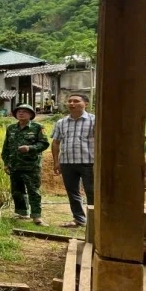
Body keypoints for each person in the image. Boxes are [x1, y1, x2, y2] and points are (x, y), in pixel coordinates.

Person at [51, 94, 95, 228]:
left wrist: (100, 162)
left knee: (92, 191)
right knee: (72, 192)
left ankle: (95, 221)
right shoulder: (61, 122)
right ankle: (79, 219)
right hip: (67, 162)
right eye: (69, 101)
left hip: (89, 162)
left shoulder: (95, 120)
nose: (72, 103)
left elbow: (103, 142)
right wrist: (56, 162)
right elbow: (56, 143)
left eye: (76, 101)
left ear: (85, 104)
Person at [2, 104, 50, 226]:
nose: (21, 113)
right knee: (17, 191)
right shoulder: (11, 128)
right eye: (19, 112)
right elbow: (6, 147)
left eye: (24, 111)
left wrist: (30, 148)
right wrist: (6, 163)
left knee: (33, 191)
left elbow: (44, 144)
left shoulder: (37, 127)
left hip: (31, 166)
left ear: (30, 114)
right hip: (15, 166)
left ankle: (36, 216)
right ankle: (22, 212)